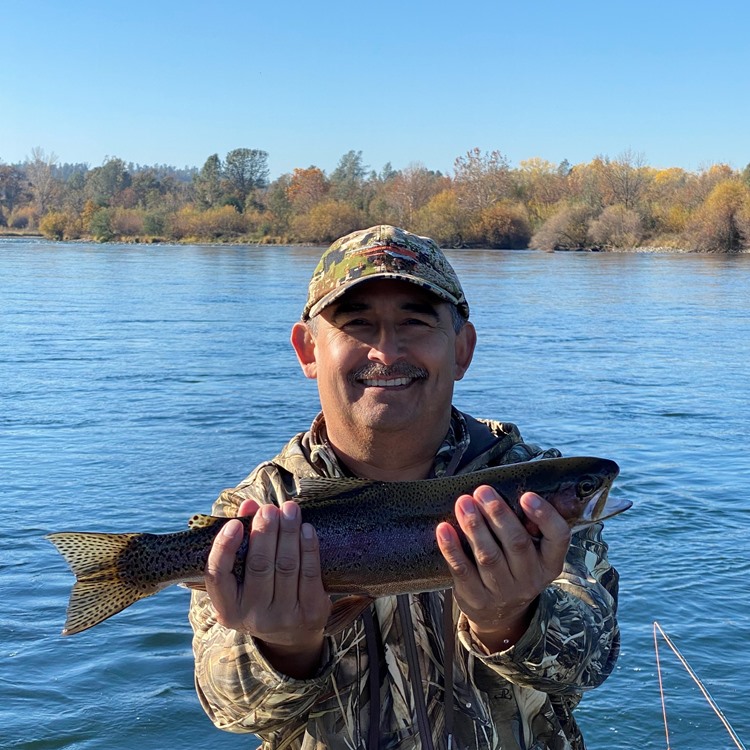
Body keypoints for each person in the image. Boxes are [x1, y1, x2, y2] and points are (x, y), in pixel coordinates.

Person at [189, 225, 621, 750]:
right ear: (308, 351)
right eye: (358, 324)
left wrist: (510, 620)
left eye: (414, 322)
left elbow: (591, 664)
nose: (387, 351)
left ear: (462, 348)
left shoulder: (533, 488)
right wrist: (285, 647)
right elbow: (228, 708)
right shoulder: (256, 509)